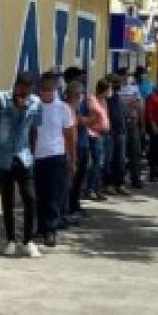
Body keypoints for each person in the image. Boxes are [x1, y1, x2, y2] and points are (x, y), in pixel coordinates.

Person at [0, 72, 41, 258]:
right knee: (7, 201)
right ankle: (10, 240)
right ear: (15, 86)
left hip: (24, 157)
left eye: (28, 91)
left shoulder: (35, 104)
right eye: (21, 89)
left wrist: (33, 152)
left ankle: (28, 240)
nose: (24, 94)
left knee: (30, 198)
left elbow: (34, 128)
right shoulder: (0, 100)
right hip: (3, 157)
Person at [32, 71, 77, 247]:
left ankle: (51, 230)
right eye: (43, 89)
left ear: (55, 89)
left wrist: (72, 159)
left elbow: (69, 136)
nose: (46, 92)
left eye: (49, 89)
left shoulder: (63, 108)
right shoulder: (35, 106)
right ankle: (41, 228)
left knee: (53, 195)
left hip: (56, 156)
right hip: (37, 156)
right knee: (39, 194)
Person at [65, 80, 93, 224]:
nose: (82, 97)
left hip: (81, 144)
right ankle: (67, 210)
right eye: (80, 95)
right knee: (71, 181)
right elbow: (74, 129)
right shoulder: (68, 108)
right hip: (73, 148)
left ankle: (74, 206)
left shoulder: (78, 107)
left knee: (78, 180)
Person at [85, 80, 111, 201]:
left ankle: (97, 188)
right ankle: (90, 189)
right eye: (108, 90)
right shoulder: (92, 99)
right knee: (96, 163)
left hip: (103, 134)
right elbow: (94, 114)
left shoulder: (104, 101)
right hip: (94, 134)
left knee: (101, 163)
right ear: (104, 90)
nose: (110, 92)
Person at [104, 74, 129, 196]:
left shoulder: (118, 98)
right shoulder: (106, 98)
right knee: (110, 159)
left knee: (120, 160)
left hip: (120, 132)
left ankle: (119, 183)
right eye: (115, 83)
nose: (118, 85)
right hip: (110, 132)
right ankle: (108, 184)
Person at [119, 74, 145, 188]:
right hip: (121, 125)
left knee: (135, 152)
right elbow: (121, 106)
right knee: (121, 154)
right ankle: (120, 179)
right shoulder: (117, 90)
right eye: (124, 76)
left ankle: (136, 178)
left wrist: (142, 123)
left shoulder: (134, 89)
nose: (126, 78)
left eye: (127, 76)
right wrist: (130, 104)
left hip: (133, 124)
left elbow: (139, 105)